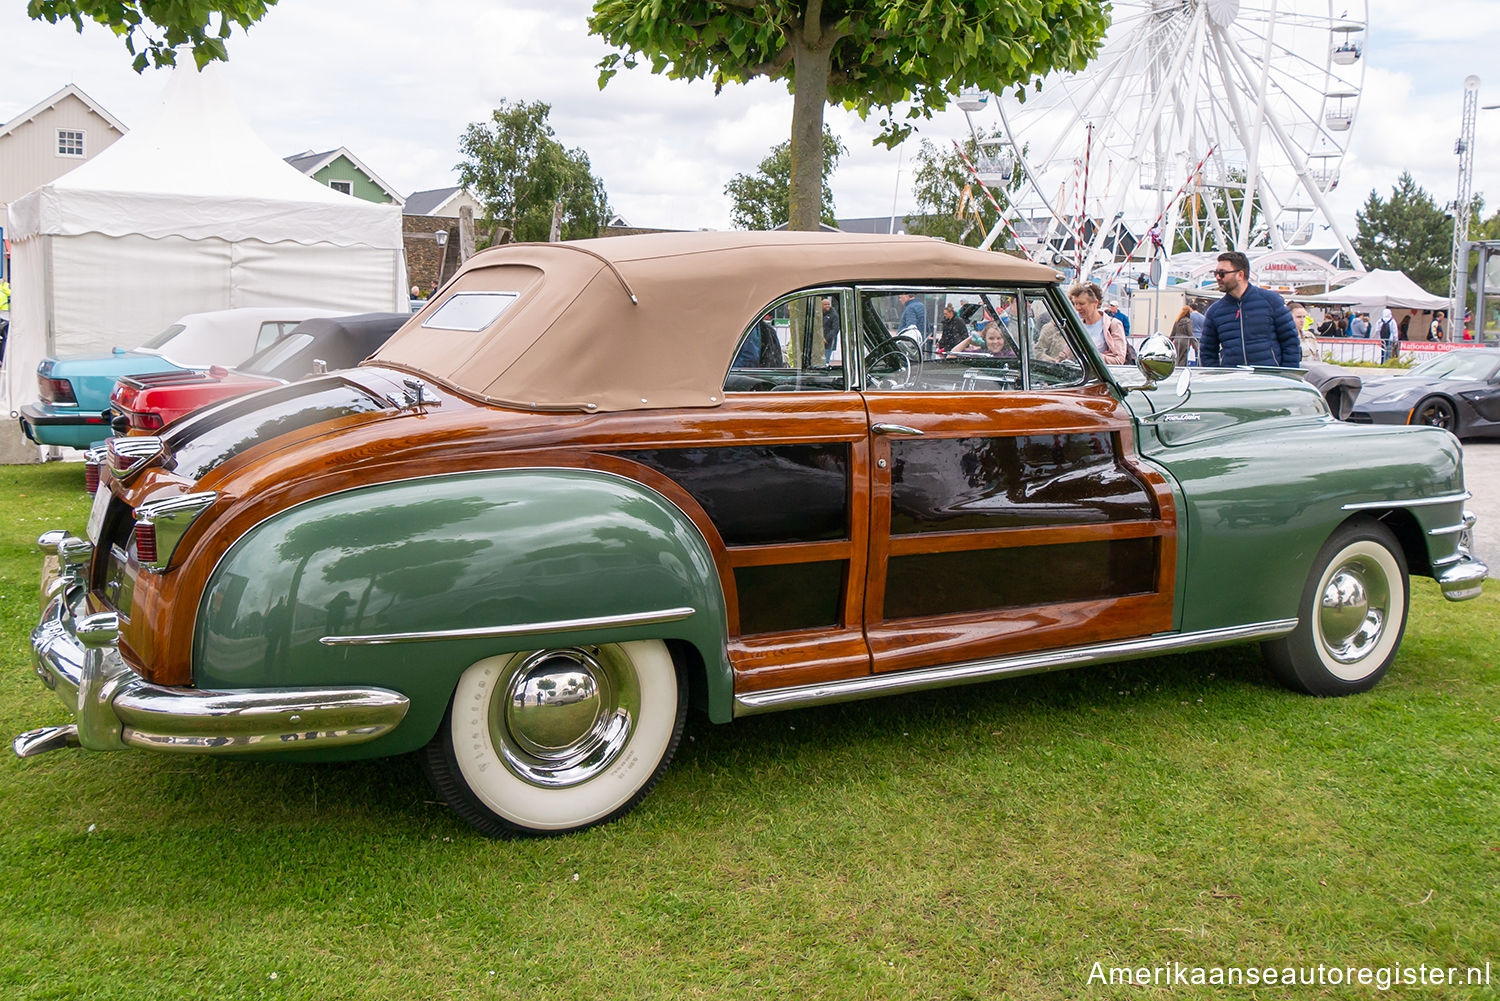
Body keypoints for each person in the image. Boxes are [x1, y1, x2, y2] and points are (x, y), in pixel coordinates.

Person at [1199, 251, 1299, 367]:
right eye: (1215, 273)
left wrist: (1286, 376)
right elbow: (1207, 352)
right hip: (1233, 380)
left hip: (1269, 379)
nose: (1217, 277)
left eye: (1222, 273)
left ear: (1240, 275)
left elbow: (1290, 342)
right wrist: (1217, 378)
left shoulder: (1271, 301)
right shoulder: (1215, 311)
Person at [1068, 282, 1128, 364]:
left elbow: (1119, 360)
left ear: (1095, 303)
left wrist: (1093, 356)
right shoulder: (1076, 326)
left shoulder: (1113, 324)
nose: (1077, 308)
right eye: (1075, 303)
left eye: (1081, 304)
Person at [821, 296, 840, 364]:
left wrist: (826, 338)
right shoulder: (819, 313)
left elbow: (835, 329)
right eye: (825, 304)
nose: (827, 306)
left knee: (826, 360)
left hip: (829, 341)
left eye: (828, 304)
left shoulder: (834, 315)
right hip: (818, 341)